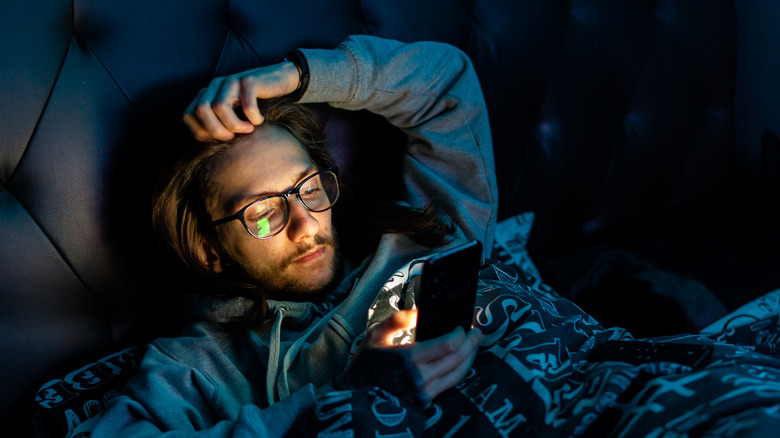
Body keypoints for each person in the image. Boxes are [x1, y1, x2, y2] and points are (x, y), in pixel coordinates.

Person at [92, 35, 780, 438]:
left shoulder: (427, 228)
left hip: (622, 390)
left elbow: (446, 84)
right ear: (209, 251)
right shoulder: (203, 363)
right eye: (262, 213)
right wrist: (344, 400)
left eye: (307, 188)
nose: (306, 223)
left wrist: (298, 77)